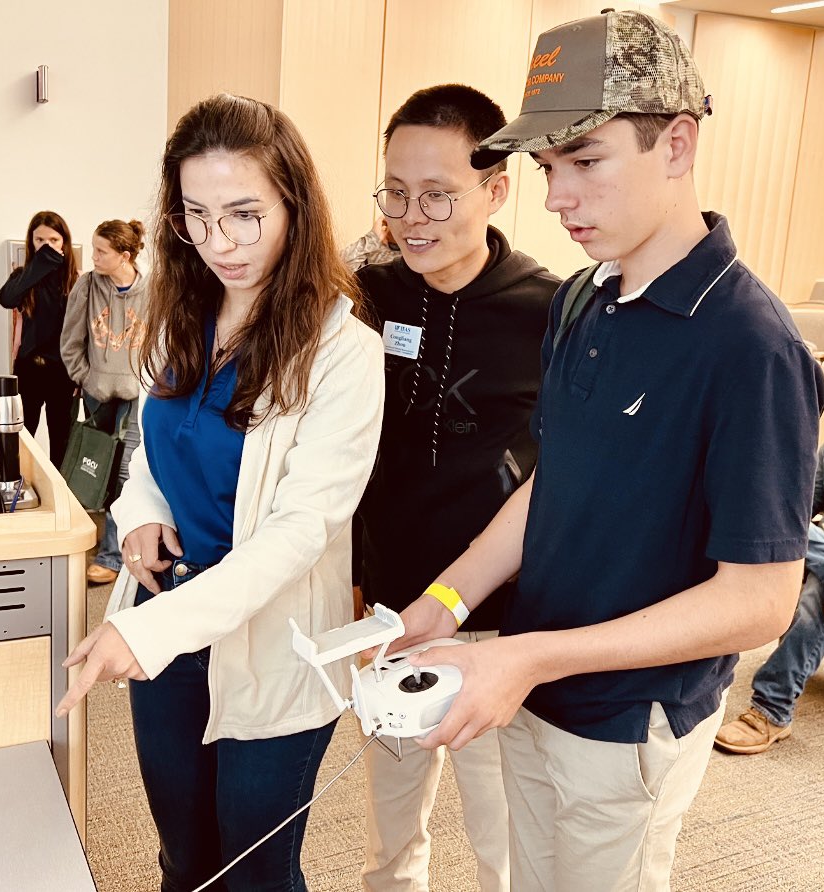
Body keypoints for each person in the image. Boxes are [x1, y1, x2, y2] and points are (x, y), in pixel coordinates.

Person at [380, 11, 824, 890]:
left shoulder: (751, 345)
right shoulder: (582, 298)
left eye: (585, 162)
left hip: (627, 719)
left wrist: (531, 655)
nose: (557, 197)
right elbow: (553, 482)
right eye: (547, 167)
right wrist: (447, 597)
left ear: (677, 143)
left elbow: (760, 602)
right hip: (534, 686)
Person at [54, 93, 384, 892]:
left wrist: (153, 627)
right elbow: (147, 462)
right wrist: (138, 519)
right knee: (183, 860)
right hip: (169, 633)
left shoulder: (343, 352)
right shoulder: (178, 318)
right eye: (195, 216)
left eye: (244, 214)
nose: (219, 243)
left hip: (270, 646)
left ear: (293, 207)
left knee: (255, 871)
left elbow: (300, 530)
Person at [355, 84, 559, 892]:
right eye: (396, 193)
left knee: (497, 837)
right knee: (389, 828)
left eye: (438, 195)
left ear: (496, 187)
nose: (414, 217)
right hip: (385, 608)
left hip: (495, 617)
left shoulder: (549, 311)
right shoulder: (367, 298)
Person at [714, 435, 824, 754]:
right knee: (776, 518)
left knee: (817, 591)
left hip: (820, 574)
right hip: (823, 552)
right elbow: (797, 515)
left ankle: (772, 709)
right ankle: (773, 710)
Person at [61, 219, 150, 586]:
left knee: (127, 475)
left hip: (137, 397)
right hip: (97, 395)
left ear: (124, 256)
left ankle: (112, 555)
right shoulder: (87, 285)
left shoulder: (154, 290)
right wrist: (85, 378)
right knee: (93, 470)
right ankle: (86, 540)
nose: (93, 257)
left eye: (102, 251)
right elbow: (70, 340)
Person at [0, 210, 79, 468]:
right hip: (29, 368)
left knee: (61, 443)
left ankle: (60, 499)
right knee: (21, 437)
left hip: (62, 372)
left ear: (64, 242)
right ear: (30, 242)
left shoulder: (76, 281)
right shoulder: (23, 276)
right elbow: (7, 299)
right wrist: (39, 265)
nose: (47, 246)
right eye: (40, 240)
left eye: (53, 241)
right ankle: (16, 492)